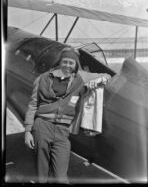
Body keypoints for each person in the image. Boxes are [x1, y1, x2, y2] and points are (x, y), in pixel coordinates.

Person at [24, 46, 111, 183]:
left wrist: (100, 80)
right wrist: (28, 131)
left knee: (61, 177)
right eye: (65, 62)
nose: (68, 65)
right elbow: (33, 105)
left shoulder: (81, 78)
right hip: (42, 126)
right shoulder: (43, 78)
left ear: (76, 64)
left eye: (71, 63)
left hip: (63, 131)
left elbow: (107, 75)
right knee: (41, 174)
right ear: (60, 62)